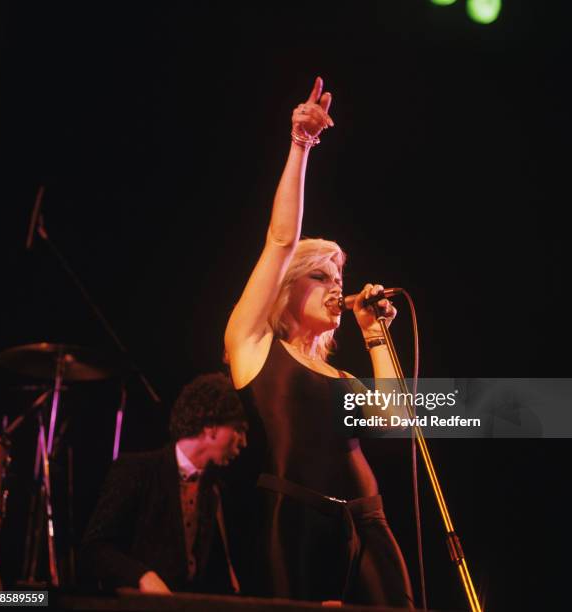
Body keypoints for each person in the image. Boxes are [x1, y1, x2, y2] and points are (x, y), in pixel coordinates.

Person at [224, 77, 415, 607]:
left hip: (369, 523)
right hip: (298, 520)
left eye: (340, 277)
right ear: (286, 288)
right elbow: (281, 240)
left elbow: (399, 422)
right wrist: (301, 145)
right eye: (321, 277)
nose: (337, 286)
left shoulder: (344, 378)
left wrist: (376, 335)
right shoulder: (255, 343)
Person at [79, 372, 247, 595]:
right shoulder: (137, 470)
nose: (243, 443)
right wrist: (142, 576)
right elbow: (95, 549)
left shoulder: (213, 491)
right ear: (211, 425)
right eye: (238, 430)